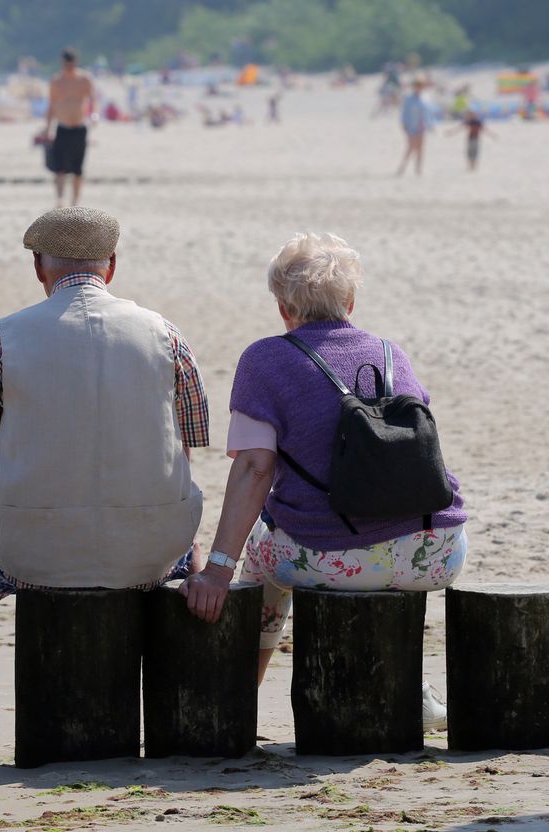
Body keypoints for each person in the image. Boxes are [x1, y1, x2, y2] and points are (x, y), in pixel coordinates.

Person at [180, 232, 466, 728]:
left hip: (334, 558)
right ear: (350, 302)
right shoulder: (391, 352)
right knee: (383, 548)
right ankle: (410, 691)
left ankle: (238, 695)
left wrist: (218, 569)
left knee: (263, 557)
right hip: (438, 551)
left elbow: (255, 468)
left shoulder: (265, 360)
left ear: (283, 307)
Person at [0, 207, 209, 598]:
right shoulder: (165, 334)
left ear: (38, 267)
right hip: (151, 552)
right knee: (190, 548)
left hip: (27, 555)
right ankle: (186, 651)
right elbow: (186, 448)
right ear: (111, 265)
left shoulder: (2, 337)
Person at [42, 48, 97, 207]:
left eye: (71, 64)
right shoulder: (56, 81)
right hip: (62, 127)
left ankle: (75, 200)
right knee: (59, 166)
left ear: (76, 62)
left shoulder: (84, 79)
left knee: (77, 168)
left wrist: (94, 114)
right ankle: (60, 199)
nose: (69, 67)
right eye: (67, 65)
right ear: (62, 63)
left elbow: (93, 100)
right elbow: (51, 105)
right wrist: (48, 127)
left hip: (79, 127)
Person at [397, 78, 429, 176]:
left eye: (421, 86)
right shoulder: (409, 98)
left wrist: (428, 124)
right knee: (411, 147)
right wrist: (404, 124)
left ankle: (418, 169)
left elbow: (427, 112)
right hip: (411, 125)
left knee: (420, 148)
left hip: (422, 126)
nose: (419, 88)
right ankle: (402, 167)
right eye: (417, 86)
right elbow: (404, 112)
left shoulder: (424, 98)